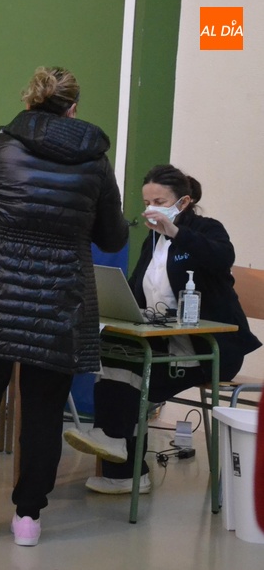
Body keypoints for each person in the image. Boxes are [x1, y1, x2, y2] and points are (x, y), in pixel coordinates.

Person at [0, 66, 128, 547]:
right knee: (44, 412)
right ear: (73, 109)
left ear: (30, 102)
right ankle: (28, 519)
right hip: (61, 304)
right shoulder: (95, 162)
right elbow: (112, 237)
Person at [64, 164, 261, 493]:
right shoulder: (152, 241)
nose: (151, 209)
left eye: (159, 200)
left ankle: (124, 469)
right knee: (116, 353)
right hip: (163, 339)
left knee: (132, 375)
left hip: (209, 347)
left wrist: (176, 232)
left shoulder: (206, 230)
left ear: (182, 202)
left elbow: (221, 257)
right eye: (146, 202)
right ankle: (120, 461)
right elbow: (137, 289)